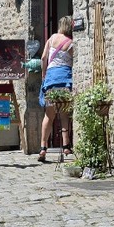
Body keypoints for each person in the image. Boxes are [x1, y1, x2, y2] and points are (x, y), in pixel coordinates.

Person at [38, 15, 74, 163]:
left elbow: (43, 58)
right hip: (65, 80)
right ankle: (66, 146)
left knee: (49, 115)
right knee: (65, 114)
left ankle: (43, 148)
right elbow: (73, 62)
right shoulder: (71, 43)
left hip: (51, 80)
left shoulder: (52, 38)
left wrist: (44, 75)